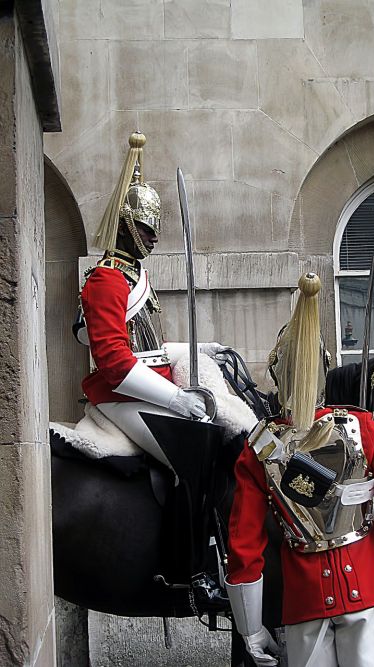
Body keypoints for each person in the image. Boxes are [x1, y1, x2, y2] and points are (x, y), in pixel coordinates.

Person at [225, 273, 374, 667]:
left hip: (307, 599)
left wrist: (251, 629)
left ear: (277, 374)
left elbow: (244, 549)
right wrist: (373, 512)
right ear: (325, 370)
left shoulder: (258, 448)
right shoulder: (362, 427)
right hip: (368, 584)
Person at [77, 131, 228, 609]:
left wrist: (204, 349)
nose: (154, 238)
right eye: (146, 230)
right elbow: (116, 363)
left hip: (145, 384)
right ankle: (192, 569)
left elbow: (149, 345)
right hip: (118, 395)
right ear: (125, 225)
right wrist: (176, 399)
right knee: (195, 455)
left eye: (154, 230)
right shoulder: (105, 279)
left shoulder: (134, 276)